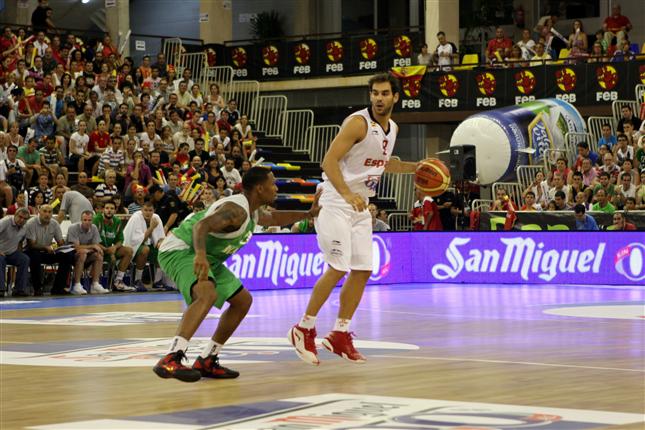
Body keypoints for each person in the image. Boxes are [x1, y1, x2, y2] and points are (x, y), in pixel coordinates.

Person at [288, 73, 418, 365]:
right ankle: (303, 327)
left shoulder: (392, 128)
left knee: (362, 270)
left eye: (385, 93)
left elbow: (382, 165)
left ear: (396, 97)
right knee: (337, 267)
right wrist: (347, 194)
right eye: (375, 93)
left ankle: (339, 333)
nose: (379, 98)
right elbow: (328, 161)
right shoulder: (357, 123)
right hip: (336, 201)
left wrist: (416, 167)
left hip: (360, 205)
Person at [153, 167, 321, 381]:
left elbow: (273, 218)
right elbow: (201, 227)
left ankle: (208, 359)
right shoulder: (236, 210)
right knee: (207, 294)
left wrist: (308, 214)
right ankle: (172, 357)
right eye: (272, 183)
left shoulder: (253, 210)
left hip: (206, 255)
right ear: (259, 189)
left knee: (243, 301)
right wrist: (201, 256)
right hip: (182, 249)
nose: (276, 187)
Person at [24, 204, 75, 295]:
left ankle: (58, 288)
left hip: (47, 251)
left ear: (52, 214)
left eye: (49, 212)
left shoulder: (54, 223)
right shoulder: (31, 223)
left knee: (67, 256)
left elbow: (60, 242)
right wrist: (45, 247)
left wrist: (64, 248)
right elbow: (31, 244)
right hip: (31, 251)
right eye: (44, 211)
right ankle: (37, 288)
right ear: (39, 212)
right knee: (35, 256)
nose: (47, 214)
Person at [122, 200, 165, 291]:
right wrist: (151, 227)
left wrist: (160, 242)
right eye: (145, 210)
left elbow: (160, 237)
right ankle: (137, 280)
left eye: (150, 210)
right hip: (133, 247)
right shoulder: (136, 217)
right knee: (145, 249)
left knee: (163, 250)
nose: (148, 213)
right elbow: (139, 240)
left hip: (149, 245)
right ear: (141, 210)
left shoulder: (156, 217)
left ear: (154, 210)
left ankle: (158, 281)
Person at [94, 200, 136, 292]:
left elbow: (120, 240)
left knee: (128, 251)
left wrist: (114, 248)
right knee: (98, 251)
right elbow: (93, 240)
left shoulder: (117, 221)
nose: (109, 210)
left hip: (110, 250)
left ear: (115, 210)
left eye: (112, 208)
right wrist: (107, 250)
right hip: (97, 249)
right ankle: (96, 283)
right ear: (103, 210)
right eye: (107, 208)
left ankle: (118, 281)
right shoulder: (97, 219)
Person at [67, 211, 110, 295]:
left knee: (99, 255)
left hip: (87, 254)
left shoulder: (94, 228)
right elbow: (76, 247)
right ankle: (77, 285)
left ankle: (95, 284)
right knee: (82, 253)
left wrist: (93, 248)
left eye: (89, 220)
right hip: (71, 256)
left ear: (92, 220)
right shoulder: (73, 228)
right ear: (81, 220)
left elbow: (96, 246)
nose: (87, 222)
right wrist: (91, 247)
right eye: (85, 220)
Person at [0, 208, 31, 296]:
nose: (22, 220)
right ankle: (1, 289)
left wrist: (20, 253)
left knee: (24, 259)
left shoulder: (25, 227)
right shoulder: (5, 222)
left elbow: (20, 241)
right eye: (20, 217)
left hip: (11, 253)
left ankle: (19, 289)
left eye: (25, 219)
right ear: (15, 215)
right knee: (0, 259)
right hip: (0, 252)